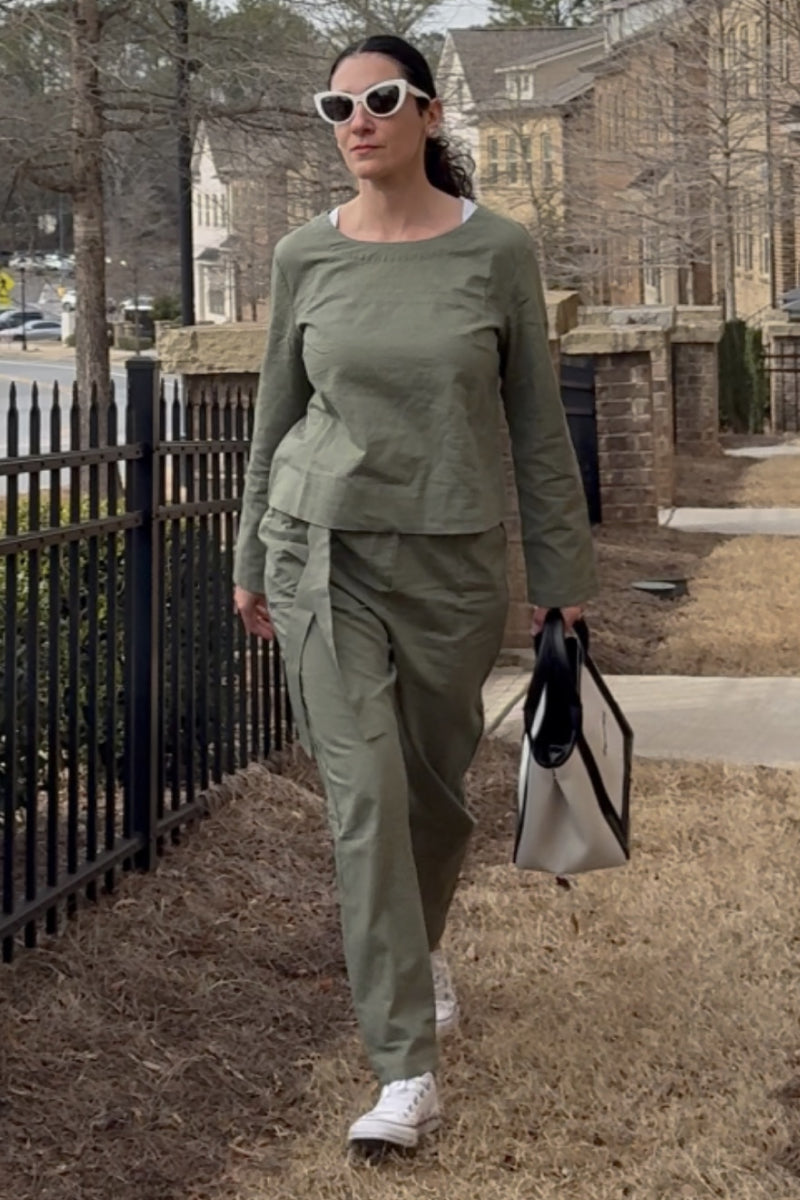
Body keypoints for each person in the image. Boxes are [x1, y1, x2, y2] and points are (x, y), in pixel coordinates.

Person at [233, 33, 597, 1157]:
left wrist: (561, 578)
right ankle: (403, 1068)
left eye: (380, 99)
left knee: (435, 798)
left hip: (451, 561)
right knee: (366, 796)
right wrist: (250, 555)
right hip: (320, 552)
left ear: (429, 115)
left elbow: (536, 426)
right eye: (336, 106)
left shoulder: (496, 251)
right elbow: (274, 416)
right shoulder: (303, 254)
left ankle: (418, 946)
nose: (357, 121)